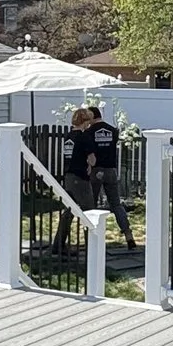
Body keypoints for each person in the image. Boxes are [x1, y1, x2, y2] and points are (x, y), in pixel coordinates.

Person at [66, 103, 136, 248]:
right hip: (110, 170)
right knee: (116, 204)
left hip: (94, 171)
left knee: (91, 207)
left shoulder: (89, 133)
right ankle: (129, 236)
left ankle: (93, 240)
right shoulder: (113, 130)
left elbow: (88, 151)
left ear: (92, 116)